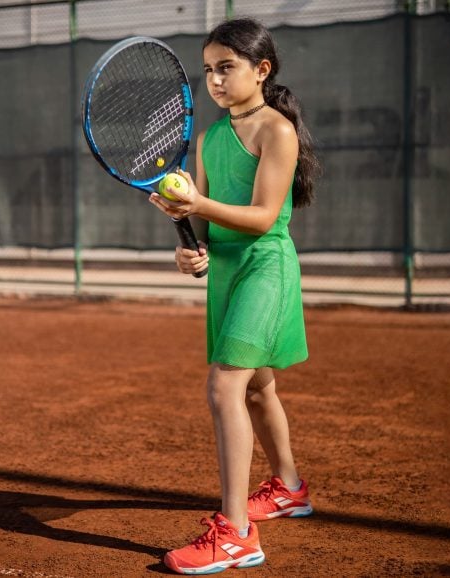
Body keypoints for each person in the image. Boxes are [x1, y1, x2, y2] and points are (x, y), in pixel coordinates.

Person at [149, 18, 320, 575]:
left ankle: (239, 536)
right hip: (225, 271)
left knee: (226, 386)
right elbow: (206, 224)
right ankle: (289, 488)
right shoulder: (208, 138)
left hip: (265, 267)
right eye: (208, 70)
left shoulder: (277, 130)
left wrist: (196, 206)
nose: (216, 80)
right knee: (257, 389)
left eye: (227, 67)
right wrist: (190, 249)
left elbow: (263, 217)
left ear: (261, 70)